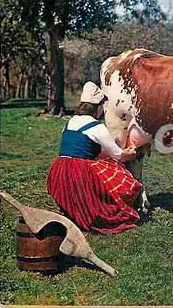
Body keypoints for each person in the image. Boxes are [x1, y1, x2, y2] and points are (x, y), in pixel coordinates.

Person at [47, 81, 142, 234]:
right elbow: (118, 155)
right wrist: (131, 152)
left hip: (59, 172)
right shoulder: (97, 127)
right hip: (78, 172)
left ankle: (71, 207)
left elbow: (80, 148)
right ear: (97, 108)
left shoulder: (69, 123)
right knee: (118, 172)